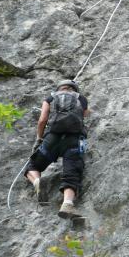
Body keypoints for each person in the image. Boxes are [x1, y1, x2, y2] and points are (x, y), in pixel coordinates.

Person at [25, 80, 89, 219]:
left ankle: (37, 181)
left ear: (59, 88)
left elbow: (42, 120)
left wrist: (39, 138)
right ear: (75, 89)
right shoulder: (81, 98)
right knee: (72, 173)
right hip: (74, 140)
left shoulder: (51, 97)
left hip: (52, 138)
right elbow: (85, 114)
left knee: (33, 165)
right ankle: (67, 204)